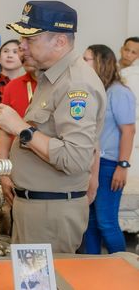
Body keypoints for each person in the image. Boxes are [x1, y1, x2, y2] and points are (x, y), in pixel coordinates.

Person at [0, 1, 106, 253]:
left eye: (30, 39)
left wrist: (22, 128)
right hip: (34, 207)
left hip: (50, 213)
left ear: (60, 42)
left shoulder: (77, 85)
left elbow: (74, 158)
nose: (21, 45)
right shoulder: (51, 76)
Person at [83, 45, 135, 254]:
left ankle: (126, 270)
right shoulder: (97, 90)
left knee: (106, 222)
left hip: (109, 165)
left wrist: (122, 165)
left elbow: (129, 131)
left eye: (87, 59)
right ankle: (92, 270)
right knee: (90, 223)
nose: (82, 63)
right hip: (91, 163)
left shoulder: (119, 92)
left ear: (100, 63)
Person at [0, 54, 38, 205]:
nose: (24, 54)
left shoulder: (60, 85)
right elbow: (4, 133)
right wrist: (4, 174)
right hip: (18, 169)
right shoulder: (13, 86)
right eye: (22, 48)